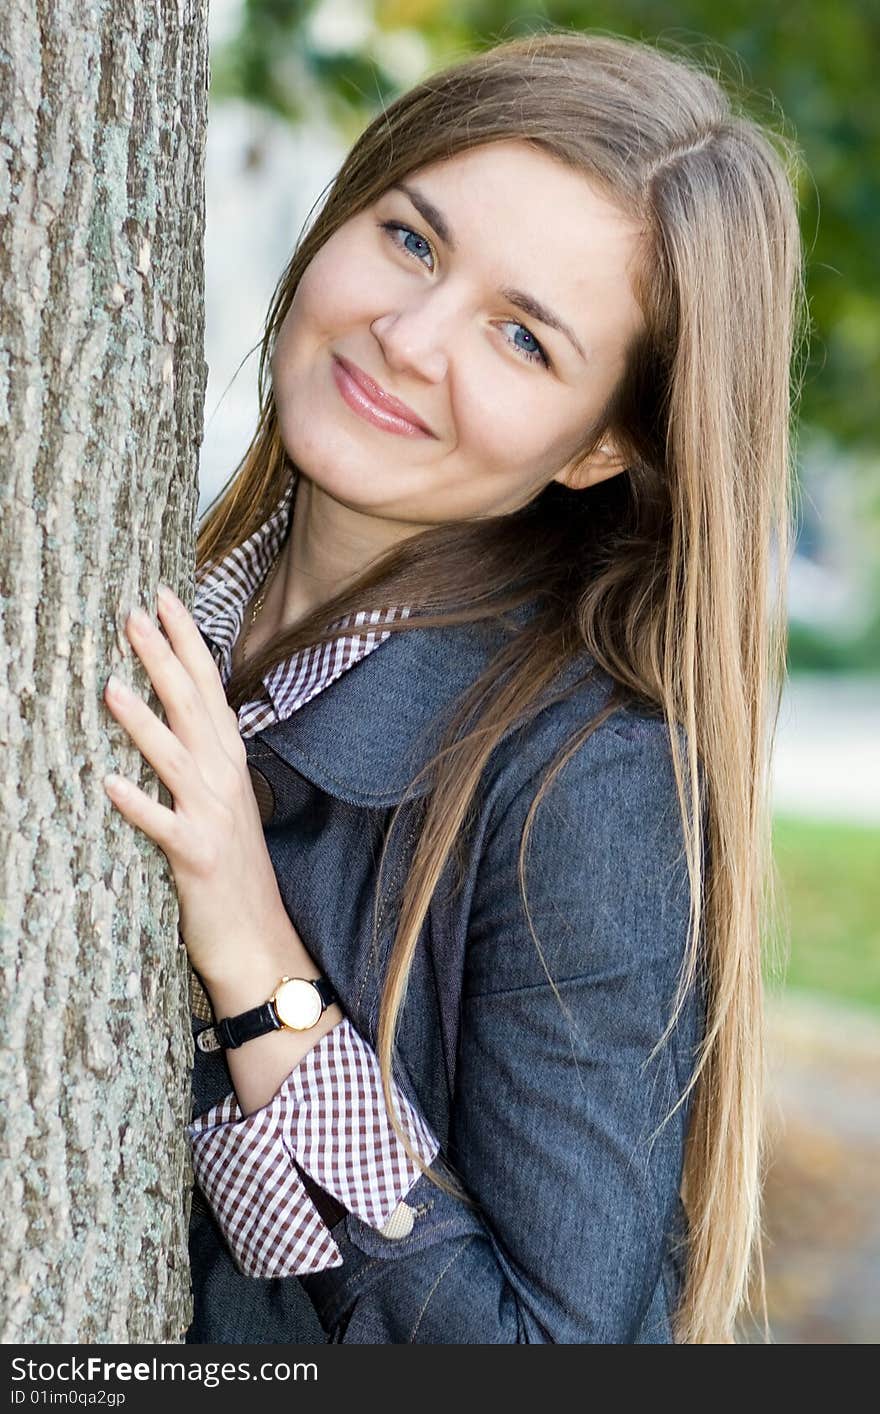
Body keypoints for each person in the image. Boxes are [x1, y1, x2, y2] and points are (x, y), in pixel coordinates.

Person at [101, 30, 807, 1343]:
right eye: (413, 240)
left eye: (524, 339)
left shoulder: (593, 780)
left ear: (601, 445)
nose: (409, 336)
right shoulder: (163, 598)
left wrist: (257, 955)